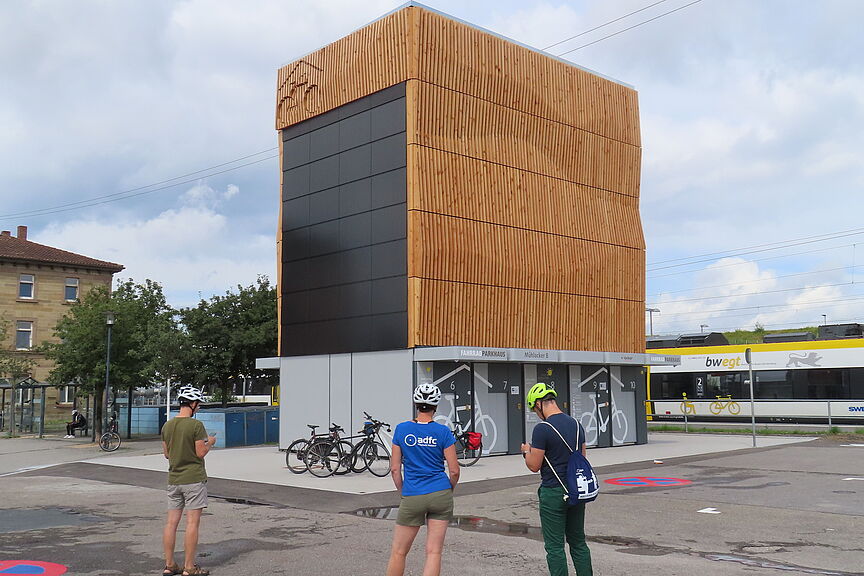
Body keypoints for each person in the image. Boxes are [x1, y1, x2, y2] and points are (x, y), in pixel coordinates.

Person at [386, 383, 460, 576]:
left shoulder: (402, 430)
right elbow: (454, 471)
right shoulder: (443, 432)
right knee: (434, 552)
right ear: (436, 406)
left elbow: (394, 469)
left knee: (399, 552)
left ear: (416, 404)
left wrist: (403, 492)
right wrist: (447, 490)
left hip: (413, 493)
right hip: (440, 493)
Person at [521, 382, 593, 576]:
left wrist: (526, 452)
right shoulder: (577, 425)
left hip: (553, 492)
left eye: (534, 409)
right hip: (576, 491)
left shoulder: (542, 429)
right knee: (578, 542)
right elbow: (582, 459)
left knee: (555, 548)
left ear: (538, 404)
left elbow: (534, 466)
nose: (536, 414)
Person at [160, 385, 217, 576]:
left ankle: (169, 565)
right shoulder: (195, 425)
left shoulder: (167, 425)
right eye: (198, 404)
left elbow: (167, 454)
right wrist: (210, 442)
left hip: (174, 479)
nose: (199, 407)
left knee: (171, 523)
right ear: (192, 404)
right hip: (193, 479)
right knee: (192, 523)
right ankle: (189, 568)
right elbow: (200, 453)